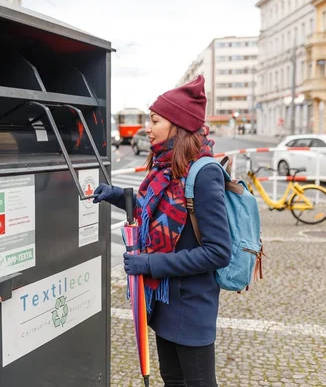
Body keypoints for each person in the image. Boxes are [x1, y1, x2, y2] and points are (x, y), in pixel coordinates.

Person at [94, 75, 231, 387]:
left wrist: (150, 264)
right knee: (172, 381)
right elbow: (151, 210)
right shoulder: (166, 168)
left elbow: (218, 251)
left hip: (192, 307)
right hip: (164, 303)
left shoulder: (204, 172)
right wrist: (116, 194)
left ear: (177, 124)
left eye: (154, 120)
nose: (147, 127)